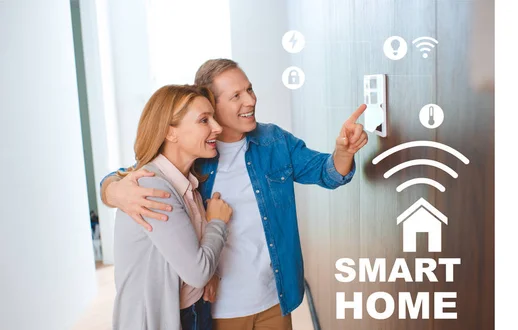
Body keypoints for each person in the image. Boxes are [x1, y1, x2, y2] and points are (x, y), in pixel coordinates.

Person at [101, 59, 368, 330]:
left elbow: (327, 172)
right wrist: (113, 190)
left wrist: (344, 152)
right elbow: (135, 174)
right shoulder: (194, 155)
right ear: (212, 105)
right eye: (236, 96)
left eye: (249, 90)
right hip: (215, 306)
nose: (250, 101)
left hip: (274, 298)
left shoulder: (274, 142)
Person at [111, 84, 233, 330]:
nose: (217, 128)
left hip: (193, 309)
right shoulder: (153, 188)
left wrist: (210, 275)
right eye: (204, 120)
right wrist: (217, 222)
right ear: (170, 133)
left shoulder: (187, 185)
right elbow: (197, 272)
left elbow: (191, 261)